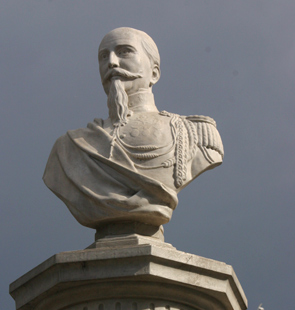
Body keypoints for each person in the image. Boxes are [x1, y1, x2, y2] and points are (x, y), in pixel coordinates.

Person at [43, 28, 224, 235]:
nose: (112, 62)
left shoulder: (195, 134)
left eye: (124, 52)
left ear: (154, 72)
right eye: (104, 56)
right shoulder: (69, 148)